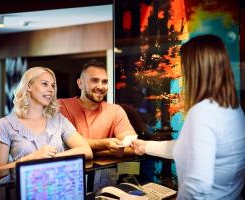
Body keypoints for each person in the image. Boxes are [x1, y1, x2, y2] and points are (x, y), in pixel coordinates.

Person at [131, 34, 245, 199]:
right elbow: (188, 148)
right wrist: (146, 146)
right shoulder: (234, 110)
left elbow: (198, 185)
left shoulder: (202, 113)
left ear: (195, 70)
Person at [0, 67, 92, 170]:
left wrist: (52, 157)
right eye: (45, 84)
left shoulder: (59, 120)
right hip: (23, 186)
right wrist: (31, 158)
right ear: (29, 86)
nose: (51, 90)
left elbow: (86, 151)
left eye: (53, 86)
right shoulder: (5, 124)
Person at [58, 59, 137, 156]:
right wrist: (105, 144)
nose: (101, 86)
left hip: (106, 170)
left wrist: (90, 152)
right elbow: (66, 143)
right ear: (80, 83)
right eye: (95, 81)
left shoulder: (116, 110)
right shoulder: (62, 106)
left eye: (104, 82)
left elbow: (133, 147)